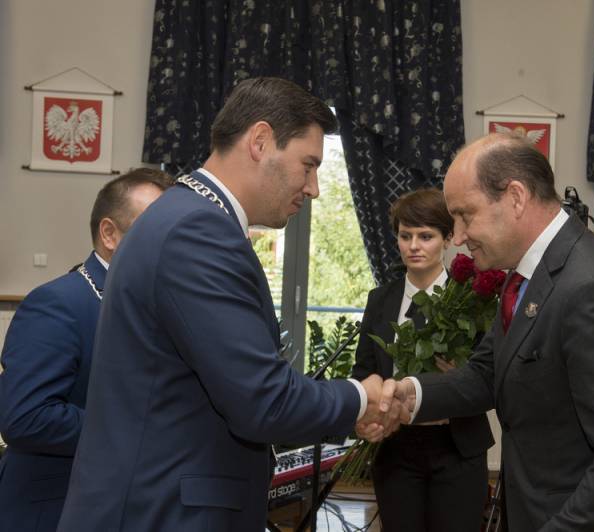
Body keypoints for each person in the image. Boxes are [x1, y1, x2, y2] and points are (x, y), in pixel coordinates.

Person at [55, 78, 403, 532]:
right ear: (260, 141)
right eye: (309, 165)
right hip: (163, 514)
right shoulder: (197, 231)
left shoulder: (187, 217)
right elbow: (263, 400)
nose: (314, 188)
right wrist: (360, 397)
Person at [385, 132, 594, 530]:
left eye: (465, 215)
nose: (458, 235)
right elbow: (488, 373)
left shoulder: (592, 287)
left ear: (516, 197)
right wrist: (410, 394)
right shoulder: (526, 273)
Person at [0, 168, 171, 532]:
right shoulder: (57, 303)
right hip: (53, 510)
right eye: (155, 227)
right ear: (109, 233)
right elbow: (26, 417)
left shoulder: (158, 304)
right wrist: (141, 429)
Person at [352, 188, 494, 531]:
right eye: (406, 236)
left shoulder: (473, 299)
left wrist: (461, 376)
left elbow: (491, 378)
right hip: (395, 446)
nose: (413, 246)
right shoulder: (380, 299)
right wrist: (365, 412)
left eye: (426, 236)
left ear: (447, 238)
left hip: (458, 446)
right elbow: (363, 371)